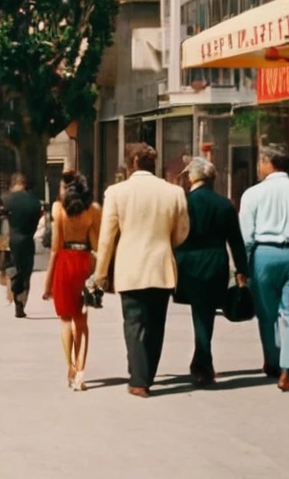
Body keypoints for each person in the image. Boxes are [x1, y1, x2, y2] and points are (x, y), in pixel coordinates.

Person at [93, 143, 189, 398]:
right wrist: (165, 243)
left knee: (134, 322)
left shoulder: (116, 192)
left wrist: (100, 273)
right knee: (157, 324)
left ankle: (138, 378)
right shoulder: (174, 192)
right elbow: (182, 232)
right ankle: (146, 375)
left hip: (130, 266)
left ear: (131, 163)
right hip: (161, 265)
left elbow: (106, 238)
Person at [240, 143, 289, 392]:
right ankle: (287, 366)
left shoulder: (253, 193)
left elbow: (246, 234)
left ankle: (272, 362)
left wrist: (244, 264)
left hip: (264, 253)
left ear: (268, 162)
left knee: (267, 312)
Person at [174, 158, 248, 387]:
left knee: (200, 313)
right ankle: (201, 361)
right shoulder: (224, 204)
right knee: (204, 314)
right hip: (216, 262)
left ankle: (203, 365)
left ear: (192, 178)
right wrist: (241, 271)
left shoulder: (184, 203)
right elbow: (236, 241)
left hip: (187, 264)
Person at [42, 171, 100, 391]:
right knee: (82, 322)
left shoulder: (58, 210)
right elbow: (95, 244)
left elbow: (55, 248)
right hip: (84, 262)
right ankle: (81, 372)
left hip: (65, 263)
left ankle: (70, 367)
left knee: (66, 320)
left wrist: (47, 282)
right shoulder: (92, 210)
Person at [2, 174, 42, 317]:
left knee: (13, 267)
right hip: (28, 239)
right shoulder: (35, 201)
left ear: (13, 184)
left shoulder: (7, 199)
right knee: (26, 272)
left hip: (13, 238)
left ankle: (14, 289)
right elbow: (38, 218)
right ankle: (22, 303)